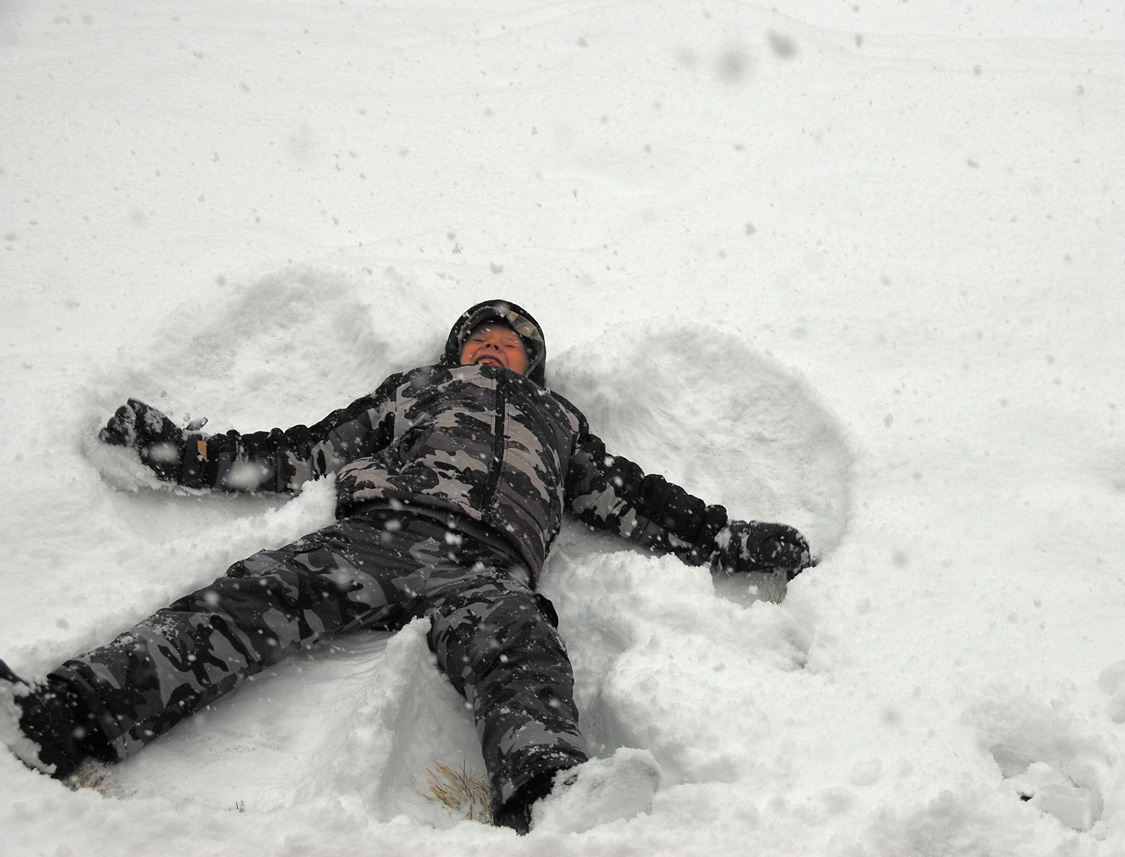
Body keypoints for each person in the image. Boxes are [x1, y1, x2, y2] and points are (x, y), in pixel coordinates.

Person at [0, 299, 812, 833]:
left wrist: (733, 541)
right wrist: (177, 452)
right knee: (244, 601)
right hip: (377, 536)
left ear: (533, 366)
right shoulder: (416, 390)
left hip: (488, 569)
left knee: (522, 652)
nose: (493, 348)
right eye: (480, 339)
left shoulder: (561, 426)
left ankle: (550, 792)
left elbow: (642, 501)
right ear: (457, 350)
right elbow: (302, 449)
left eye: (510, 344)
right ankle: (64, 718)